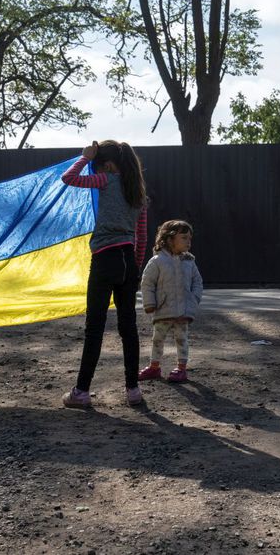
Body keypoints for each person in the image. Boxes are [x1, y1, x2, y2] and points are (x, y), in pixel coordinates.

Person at [61, 140, 148, 408]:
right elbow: (141, 237)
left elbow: (69, 178)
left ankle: (82, 392)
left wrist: (85, 157)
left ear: (108, 165)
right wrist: (134, 267)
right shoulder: (139, 194)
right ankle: (133, 390)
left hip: (105, 259)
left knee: (95, 328)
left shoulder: (105, 180)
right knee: (128, 328)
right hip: (128, 261)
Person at [138, 220, 203, 383]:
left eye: (190, 238)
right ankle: (154, 367)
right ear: (169, 239)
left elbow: (197, 282)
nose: (189, 242)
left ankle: (181, 369)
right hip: (163, 310)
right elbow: (147, 283)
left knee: (182, 339)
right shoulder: (157, 261)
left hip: (183, 311)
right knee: (157, 339)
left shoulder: (189, 262)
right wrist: (149, 303)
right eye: (184, 238)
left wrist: (194, 299)